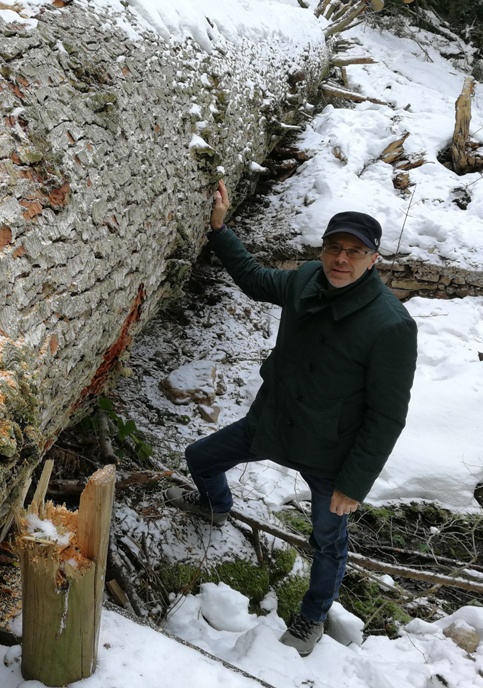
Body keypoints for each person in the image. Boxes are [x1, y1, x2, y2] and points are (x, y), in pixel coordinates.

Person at [167, 179, 417, 656]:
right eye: (334, 248)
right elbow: (255, 279)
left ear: (373, 260)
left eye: (355, 252)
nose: (341, 259)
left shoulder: (391, 326)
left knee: (327, 540)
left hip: (329, 450)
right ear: (323, 250)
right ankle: (217, 506)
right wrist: (220, 230)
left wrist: (354, 483)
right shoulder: (305, 279)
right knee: (200, 457)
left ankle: (313, 616)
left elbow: (388, 416)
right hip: (274, 423)